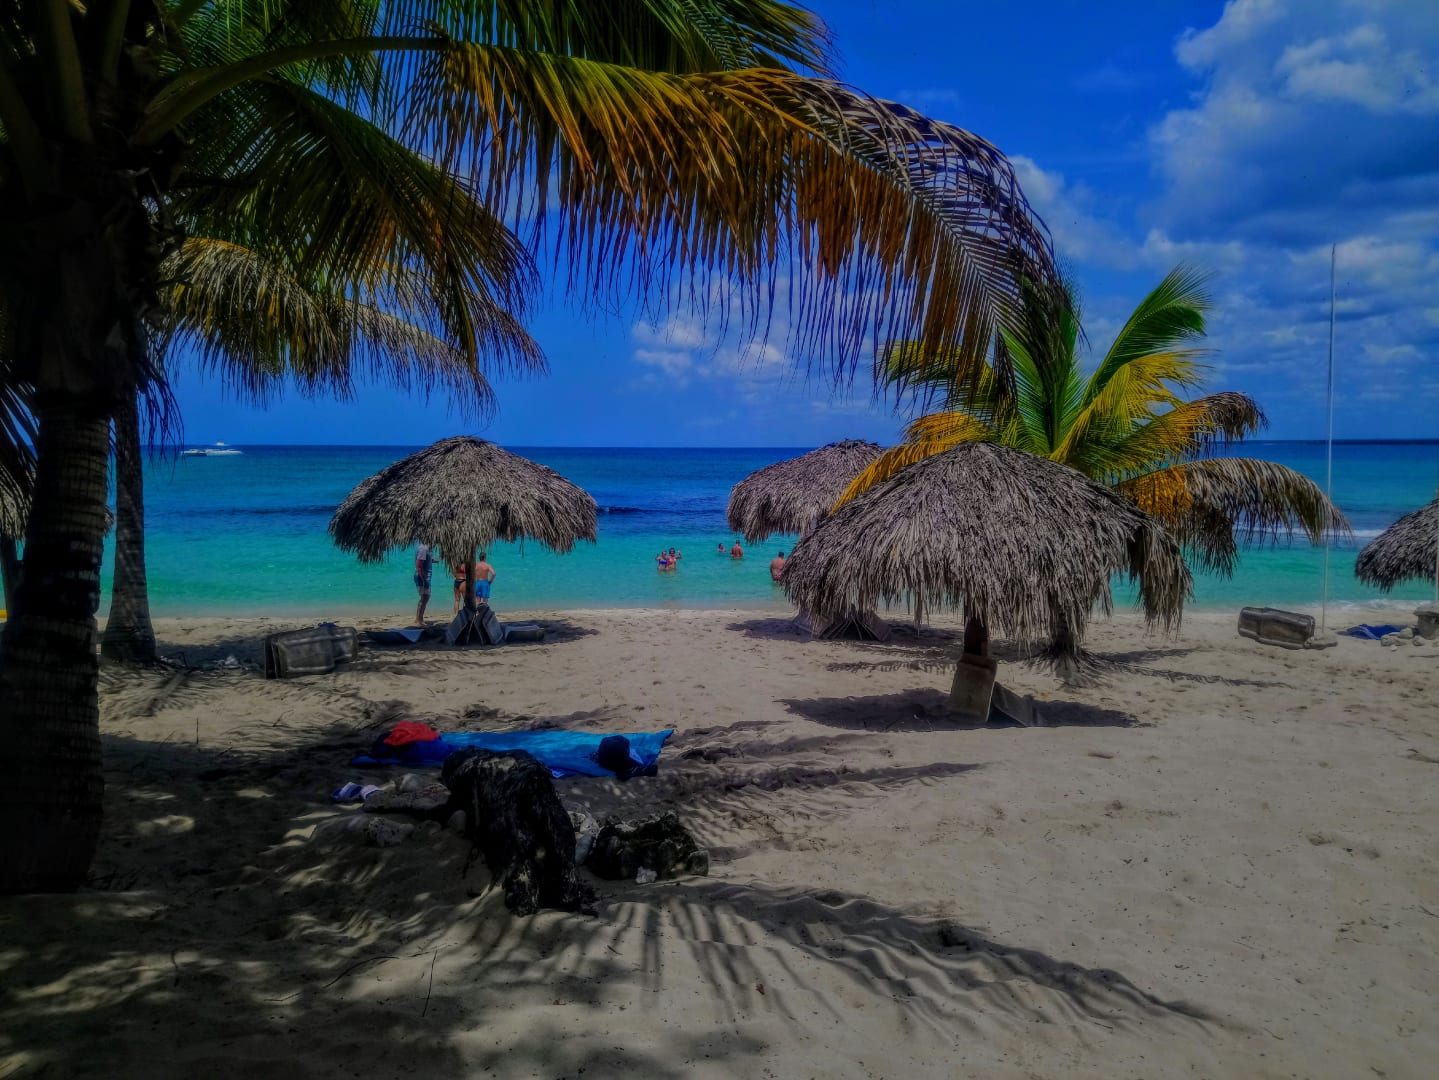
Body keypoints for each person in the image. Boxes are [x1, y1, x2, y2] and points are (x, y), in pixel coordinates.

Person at [413, 541, 434, 626]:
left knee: (424, 598)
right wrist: (424, 580)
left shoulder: (425, 548)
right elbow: (419, 566)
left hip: (424, 577)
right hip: (422, 577)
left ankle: (418, 618)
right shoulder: (423, 549)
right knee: (425, 598)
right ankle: (419, 620)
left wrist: (432, 560)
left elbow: (423, 562)